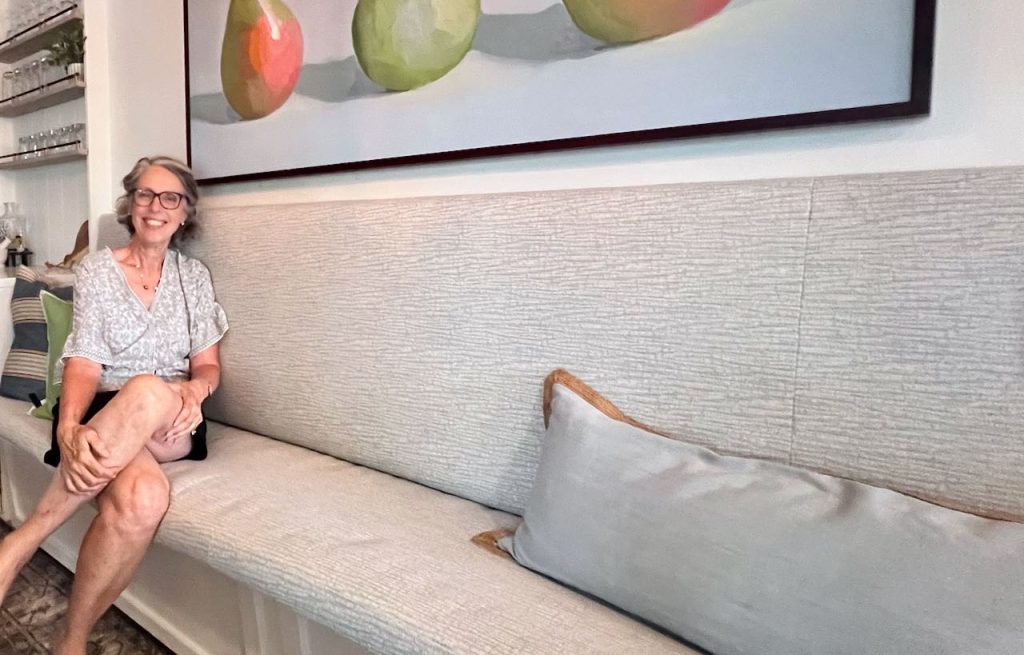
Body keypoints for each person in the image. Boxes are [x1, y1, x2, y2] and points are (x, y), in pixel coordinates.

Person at [0, 156, 228, 654]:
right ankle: (73, 640)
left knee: (148, 388)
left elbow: (208, 368)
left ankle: (23, 540)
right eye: (145, 194)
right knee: (143, 501)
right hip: (113, 413)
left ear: (185, 212)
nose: (155, 207)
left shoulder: (194, 278)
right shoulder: (100, 270)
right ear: (131, 204)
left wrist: (194, 390)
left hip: (173, 417)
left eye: (171, 198)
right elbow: (83, 361)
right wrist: (69, 425)